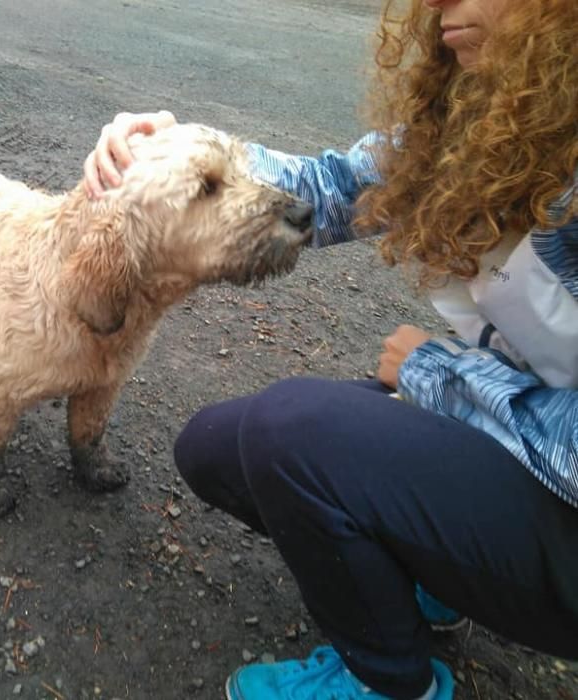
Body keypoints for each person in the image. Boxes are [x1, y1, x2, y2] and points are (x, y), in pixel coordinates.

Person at [83, 0, 577, 698]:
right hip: (514, 442)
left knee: (294, 428)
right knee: (214, 449)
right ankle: (437, 575)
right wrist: (171, 144)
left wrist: (440, 375)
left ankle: (391, 681)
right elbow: (329, 187)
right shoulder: (486, 121)